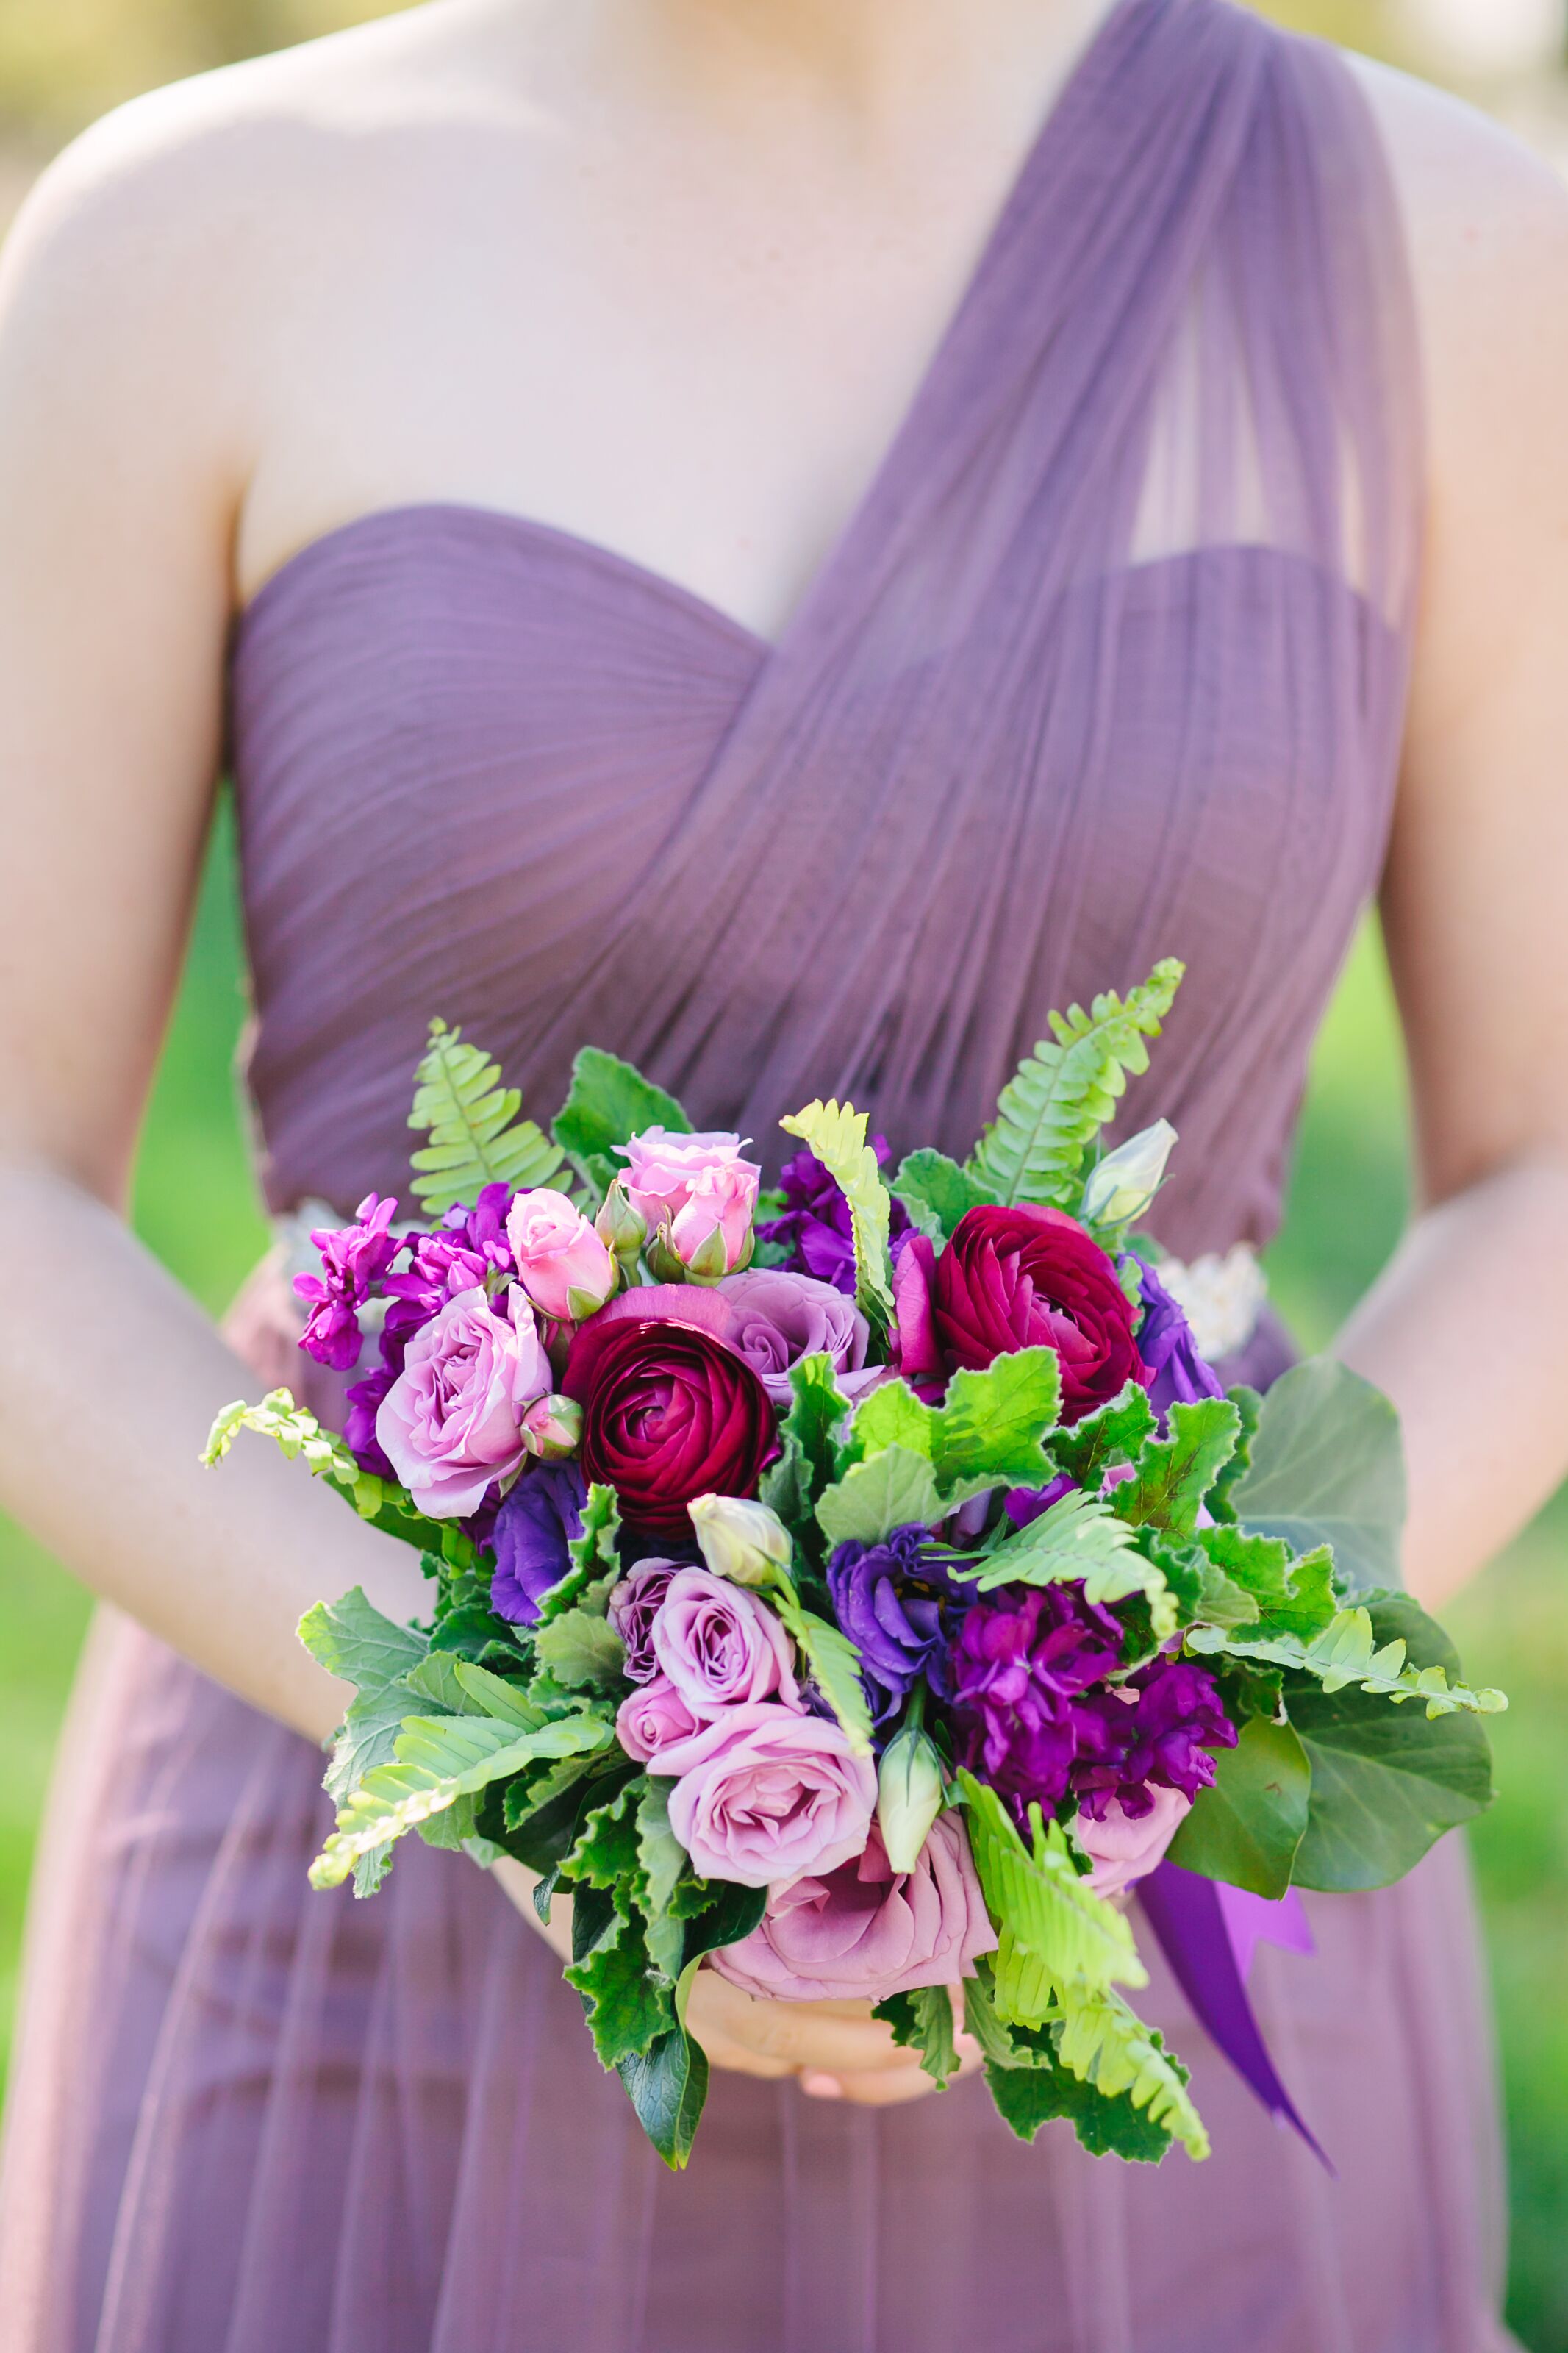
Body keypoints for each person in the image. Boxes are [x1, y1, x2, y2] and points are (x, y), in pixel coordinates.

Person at [0, 0, 1564, 2342]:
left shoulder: (1455, 249)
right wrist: (498, 1758)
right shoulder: (187, 237)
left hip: (1140, 1903)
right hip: (359, 1899)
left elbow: (1547, 1160)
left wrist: (1137, 1714)